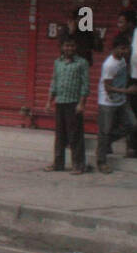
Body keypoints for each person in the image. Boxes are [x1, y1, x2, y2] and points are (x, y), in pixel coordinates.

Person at [43, 37, 88, 174]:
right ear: (62, 47)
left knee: (75, 135)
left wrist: (81, 104)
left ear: (76, 47)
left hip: (73, 104)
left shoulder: (82, 63)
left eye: (72, 46)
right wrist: (49, 101)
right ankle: (58, 163)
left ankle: (78, 165)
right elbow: (54, 82)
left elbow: (85, 85)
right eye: (66, 46)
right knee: (60, 135)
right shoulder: (58, 62)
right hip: (60, 102)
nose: (69, 48)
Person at [95, 38, 137, 174]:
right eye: (121, 48)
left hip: (121, 100)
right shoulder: (109, 65)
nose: (124, 51)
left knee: (132, 124)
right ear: (114, 49)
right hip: (107, 101)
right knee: (104, 130)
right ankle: (101, 162)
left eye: (126, 48)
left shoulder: (123, 60)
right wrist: (127, 91)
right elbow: (107, 87)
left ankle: (107, 140)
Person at [116, 9, 137, 157]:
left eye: (122, 22)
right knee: (129, 113)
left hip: (134, 77)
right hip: (126, 80)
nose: (119, 25)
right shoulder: (120, 38)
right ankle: (131, 146)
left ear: (130, 23)